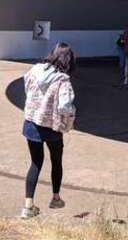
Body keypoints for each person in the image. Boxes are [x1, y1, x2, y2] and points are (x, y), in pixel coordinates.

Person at [21, 43, 77, 218]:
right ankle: (55, 198)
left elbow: (26, 86)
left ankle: (28, 206)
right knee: (56, 161)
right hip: (52, 128)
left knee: (35, 163)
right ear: (68, 60)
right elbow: (65, 106)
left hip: (31, 123)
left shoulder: (34, 69)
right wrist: (69, 121)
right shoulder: (63, 80)